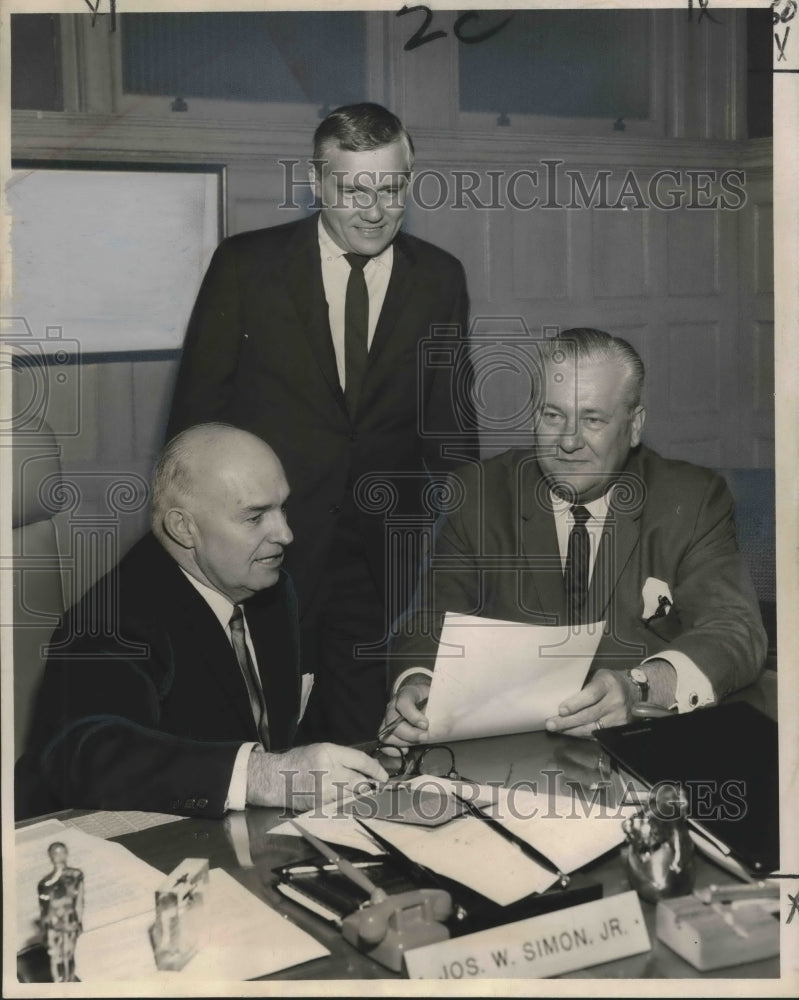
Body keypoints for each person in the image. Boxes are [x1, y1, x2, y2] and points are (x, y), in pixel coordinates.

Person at [166, 103, 476, 745]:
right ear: (316, 182)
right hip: (268, 553)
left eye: (391, 188)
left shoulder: (441, 278)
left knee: (374, 740)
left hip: (388, 558)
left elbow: (453, 432)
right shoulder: (246, 266)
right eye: (352, 188)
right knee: (266, 739)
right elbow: (193, 427)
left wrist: (469, 548)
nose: (374, 208)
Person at [381, 328, 766, 743]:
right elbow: (428, 622)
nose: (568, 441)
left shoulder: (691, 499)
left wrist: (639, 686)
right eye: (553, 415)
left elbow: (734, 631)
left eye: (592, 419)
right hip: (509, 751)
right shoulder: (476, 495)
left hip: (644, 745)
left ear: (634, 425)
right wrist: (419, 683)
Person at [16, 424, 387, 820]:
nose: (286, 534)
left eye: (283, 508)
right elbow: (85, 754)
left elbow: (280, 734)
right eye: (255, 517)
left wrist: (373, 748)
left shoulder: (270, 590)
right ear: (183, 528)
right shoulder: (112, 618)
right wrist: (267, 775)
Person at [37, 842, 84, 983]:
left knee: (69, 954)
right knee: (55, 956)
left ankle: (69, 981)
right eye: (55, 853)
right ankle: (58, 985)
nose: (59, 855)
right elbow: (43, 909)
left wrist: (79, 921)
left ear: (67, 853)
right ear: (50, 856)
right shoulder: (45, 884)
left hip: (70, 921)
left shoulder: (76, 875)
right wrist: (45, 930)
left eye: (62, 852)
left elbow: (79, 901)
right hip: (53, 923)